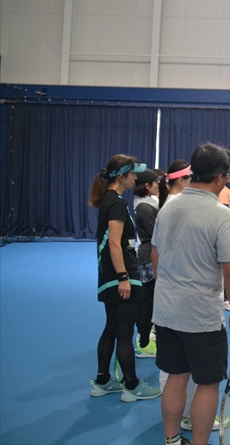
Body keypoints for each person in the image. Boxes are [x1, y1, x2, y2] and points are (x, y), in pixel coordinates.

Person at [152, 143, 230, 445]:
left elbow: (155, 255)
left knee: (176, 377)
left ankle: (172, 441)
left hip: (166, 312)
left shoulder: (168, 206)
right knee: (207, 384)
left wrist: (170, 288)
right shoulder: (221, 215)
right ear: (220, 178)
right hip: (201, 317)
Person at [88, 154, 161, 402]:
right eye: (133, 174)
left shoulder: (110, 200)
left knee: (111, 328)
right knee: (124, 332)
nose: (135, 179)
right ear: (122, 177)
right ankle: (131, 385)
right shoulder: (116, 203)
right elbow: (115, 244)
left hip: (110, 275)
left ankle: (102, 381)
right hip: (120, 275)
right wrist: (123, 278)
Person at [133, 168, 164, 358]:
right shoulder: (144, 207)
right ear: (147, 185)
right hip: (148, 258)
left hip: (151, 255)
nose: (158, 185)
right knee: (149, 301)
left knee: (152, 300)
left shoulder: (148, 203)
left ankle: (146, 337)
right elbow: (156, 235)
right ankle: (143, 342)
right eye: (156, 182)